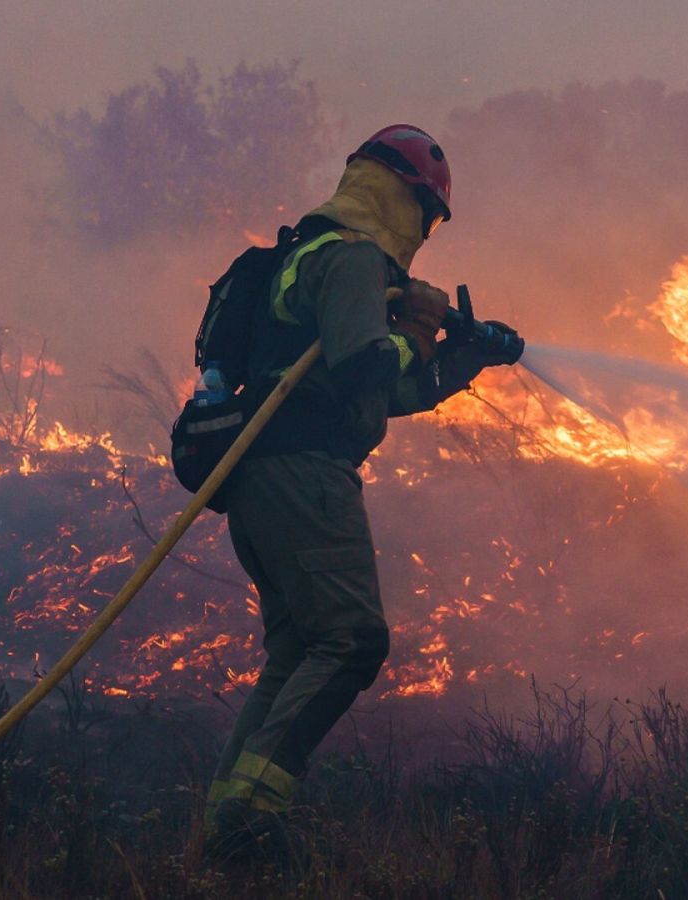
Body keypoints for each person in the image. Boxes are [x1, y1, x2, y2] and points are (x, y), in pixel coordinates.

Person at [203, 124, 523, 854]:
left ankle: (221, 829)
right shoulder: (350, 259)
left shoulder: (308, 254)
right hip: (305, 475)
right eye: (426, 216)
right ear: (403, 199)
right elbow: (365, 373)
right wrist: (413, 323)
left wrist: (465, 355)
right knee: (352, 639)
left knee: (295, 653)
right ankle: (250, 820)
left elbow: (389, 387)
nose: (425, 235)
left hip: (261, 479)